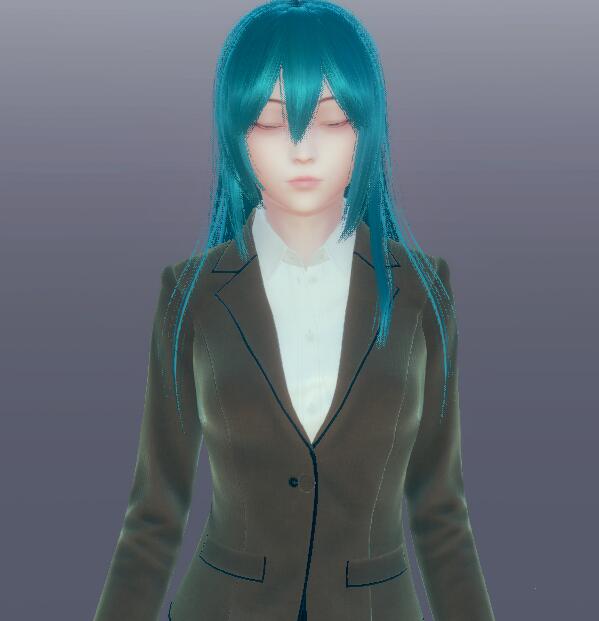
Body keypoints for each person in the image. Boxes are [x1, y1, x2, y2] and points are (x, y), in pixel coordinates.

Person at [93, 2, 496, 619]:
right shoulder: (189, 295)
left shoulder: (422, 291)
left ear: (367, 129)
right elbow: (156, 510)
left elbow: (440, 509)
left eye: (332, 120)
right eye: (271, 121)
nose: (303, 149)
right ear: (236, 130)